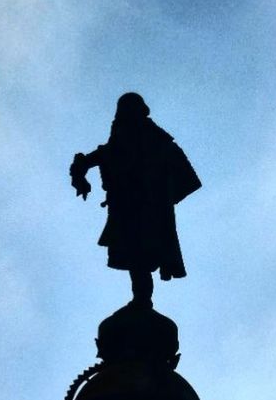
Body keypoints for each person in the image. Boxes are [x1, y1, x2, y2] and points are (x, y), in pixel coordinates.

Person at [70, 93, 201, 307]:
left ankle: (142, 299)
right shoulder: (121, 144)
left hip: (146, 211)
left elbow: (188, 179)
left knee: (139, 258)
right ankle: (141, 298)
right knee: (135, 259)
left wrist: (163, 198)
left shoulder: (158, 142)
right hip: (128, 210)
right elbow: (85, 163)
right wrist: (80, 176)